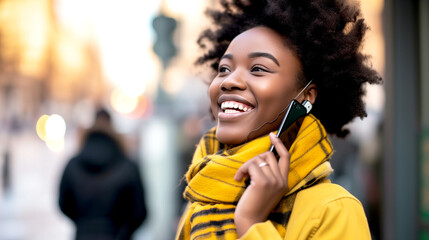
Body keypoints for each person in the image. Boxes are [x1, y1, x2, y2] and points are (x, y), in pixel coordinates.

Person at [175, 0, 382, 239]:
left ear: (306, 96)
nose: (228, 81)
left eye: (258, 69)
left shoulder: (334, 210)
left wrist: (251, 223)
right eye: (224, 69)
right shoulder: (199, 204)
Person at [59, 108, 147, 240]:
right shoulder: (128, 166)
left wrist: (83, 224)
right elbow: (140, 212)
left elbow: (63, 204)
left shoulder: (73, 165)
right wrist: (124, 231)